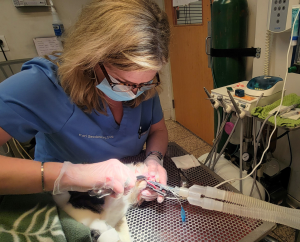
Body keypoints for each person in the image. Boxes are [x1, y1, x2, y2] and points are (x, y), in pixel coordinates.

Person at [0, 0, 170, 203]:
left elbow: (157, 130)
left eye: (145, 82)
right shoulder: (43, 85)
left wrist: (154, 159)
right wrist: (72, 175)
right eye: (123, 82)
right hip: (61, 198)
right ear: (91, 58)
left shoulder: (142, 87)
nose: (135, 93)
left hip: (119, 196)